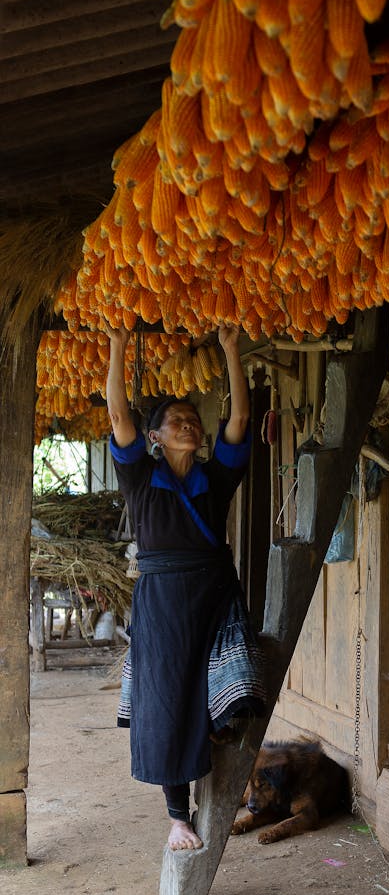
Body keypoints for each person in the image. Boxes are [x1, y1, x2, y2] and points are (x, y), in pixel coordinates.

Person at [106, 325, 266, 852]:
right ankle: (177, 817)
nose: (189, 426)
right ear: (155, 437)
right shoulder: (139, 479)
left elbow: (239, 419)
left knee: (227, 692)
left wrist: (231, 351)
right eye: (177, 422)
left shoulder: (213, 481)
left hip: (214, 600)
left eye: (193, 421)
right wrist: (117, 347)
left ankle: (217, 761)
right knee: (165, 701)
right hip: (162, 606)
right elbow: (117, 416)